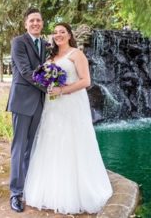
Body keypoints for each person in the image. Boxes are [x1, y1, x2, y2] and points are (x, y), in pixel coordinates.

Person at [24, 22, 112, 214]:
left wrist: (62, 90)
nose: (58, 35)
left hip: (72, 105)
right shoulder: (51, 57)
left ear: (70, 35)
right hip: (53, 106)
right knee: (52, 141)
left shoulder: (76, 54)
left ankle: (76, 192)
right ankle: (51, 190)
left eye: (62, 32)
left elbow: (86, 81)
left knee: (73, 142)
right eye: (55, 32)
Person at [6, 8, 47, 213]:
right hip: (22, 101)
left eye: (38, 20)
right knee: (19, 147)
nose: (35, 23)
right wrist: (50, 87)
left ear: (42, 23)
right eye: (31, 20)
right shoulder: (18, 42)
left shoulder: (46, 45)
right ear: (25, 24)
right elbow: (24, 72)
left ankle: (28, 188)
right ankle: (15, 193)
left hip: (39, 103)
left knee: (32, 148)